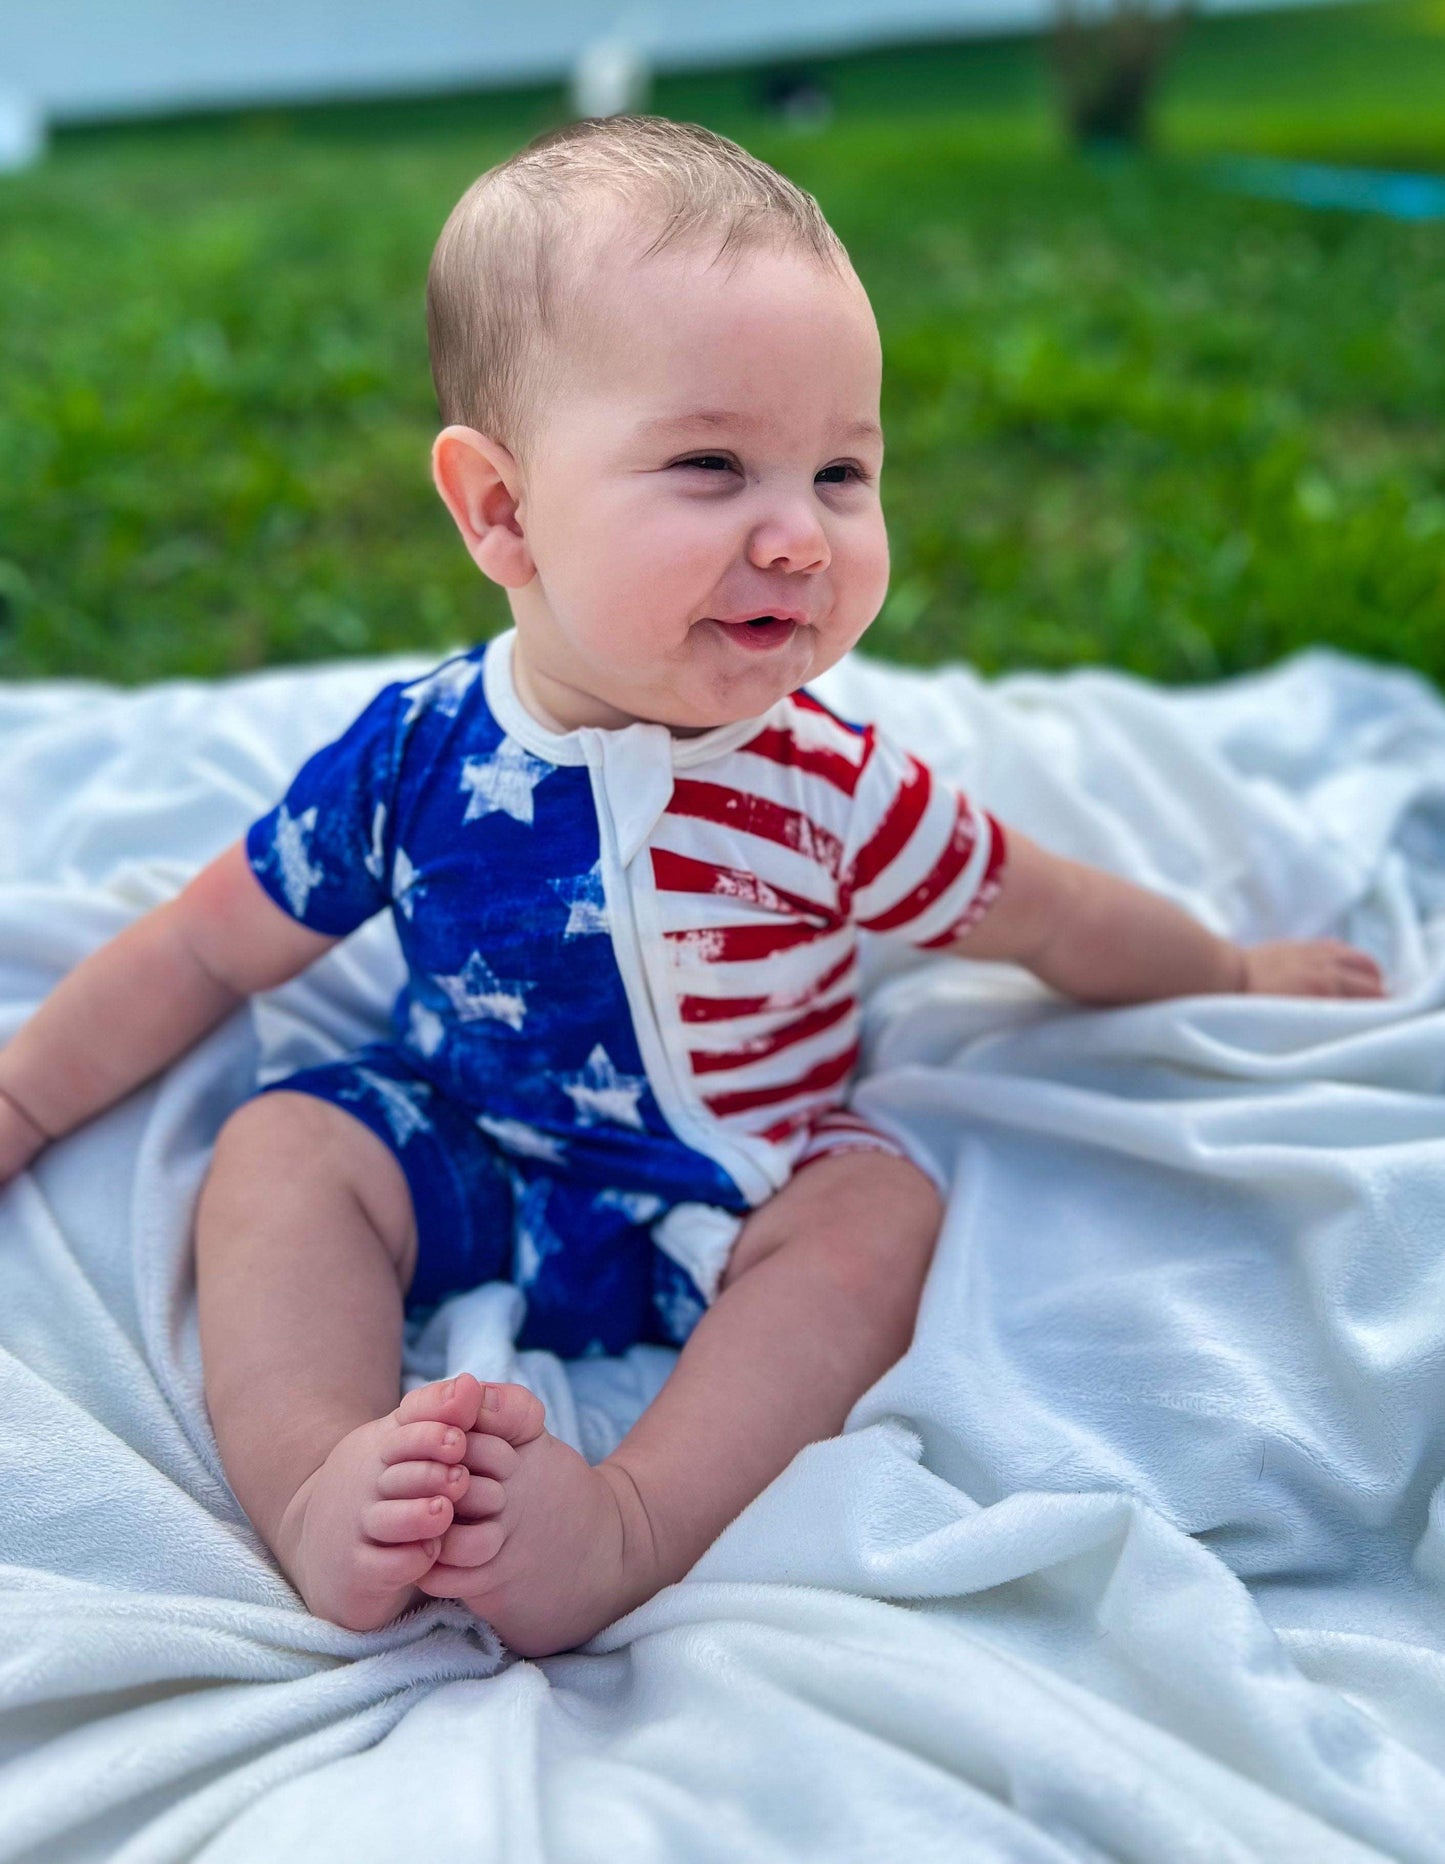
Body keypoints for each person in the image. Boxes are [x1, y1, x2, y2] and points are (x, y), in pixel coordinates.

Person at [0, 115, 1386, 1659]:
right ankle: (322, 1481)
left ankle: (631, 1523)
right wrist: (24, 1101)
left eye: (842, 470)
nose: (799, 536)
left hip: (744, 1181)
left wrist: (1231, 971)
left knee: (872, 1215)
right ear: (500, 512)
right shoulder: (417, 759)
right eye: (713, 465)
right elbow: (203, 950)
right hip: (470, 1139)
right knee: (278, 1155)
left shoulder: (836, 786)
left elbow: (1048, 911)